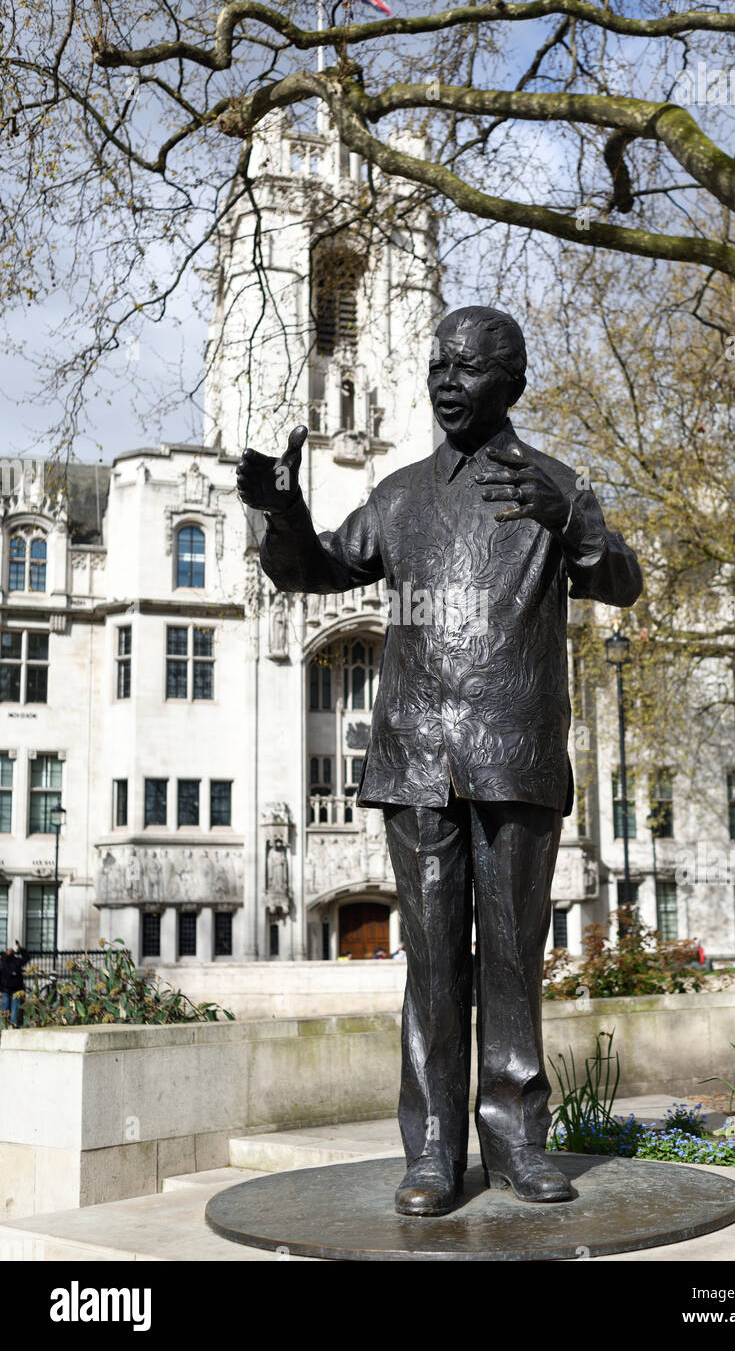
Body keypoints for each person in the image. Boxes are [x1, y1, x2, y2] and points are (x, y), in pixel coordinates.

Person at [237, 305, 642, 1216]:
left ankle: (515, 1142)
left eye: (465, 367)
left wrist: (574, 528)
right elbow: (316, 572)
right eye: (436, 365)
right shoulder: (401, 495)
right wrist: (277, 507)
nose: (445, 381)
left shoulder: (555, 485)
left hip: (516, 753)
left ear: (513, 382)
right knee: (430, 966)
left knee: (509, 958)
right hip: (416, 755)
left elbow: (620, 580)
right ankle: (429, 1150)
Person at [0, 943, 28, 1027]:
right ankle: (4, 1026)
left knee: (15, 1010)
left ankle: (13, 1026)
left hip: (16, 990)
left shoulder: (17, 961)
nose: (9, 950)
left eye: (11, 950)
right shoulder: (3, 961)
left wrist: (20, 948)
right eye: (8, 950)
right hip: (5, 990)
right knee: (5, 1010)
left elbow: (27, 958)